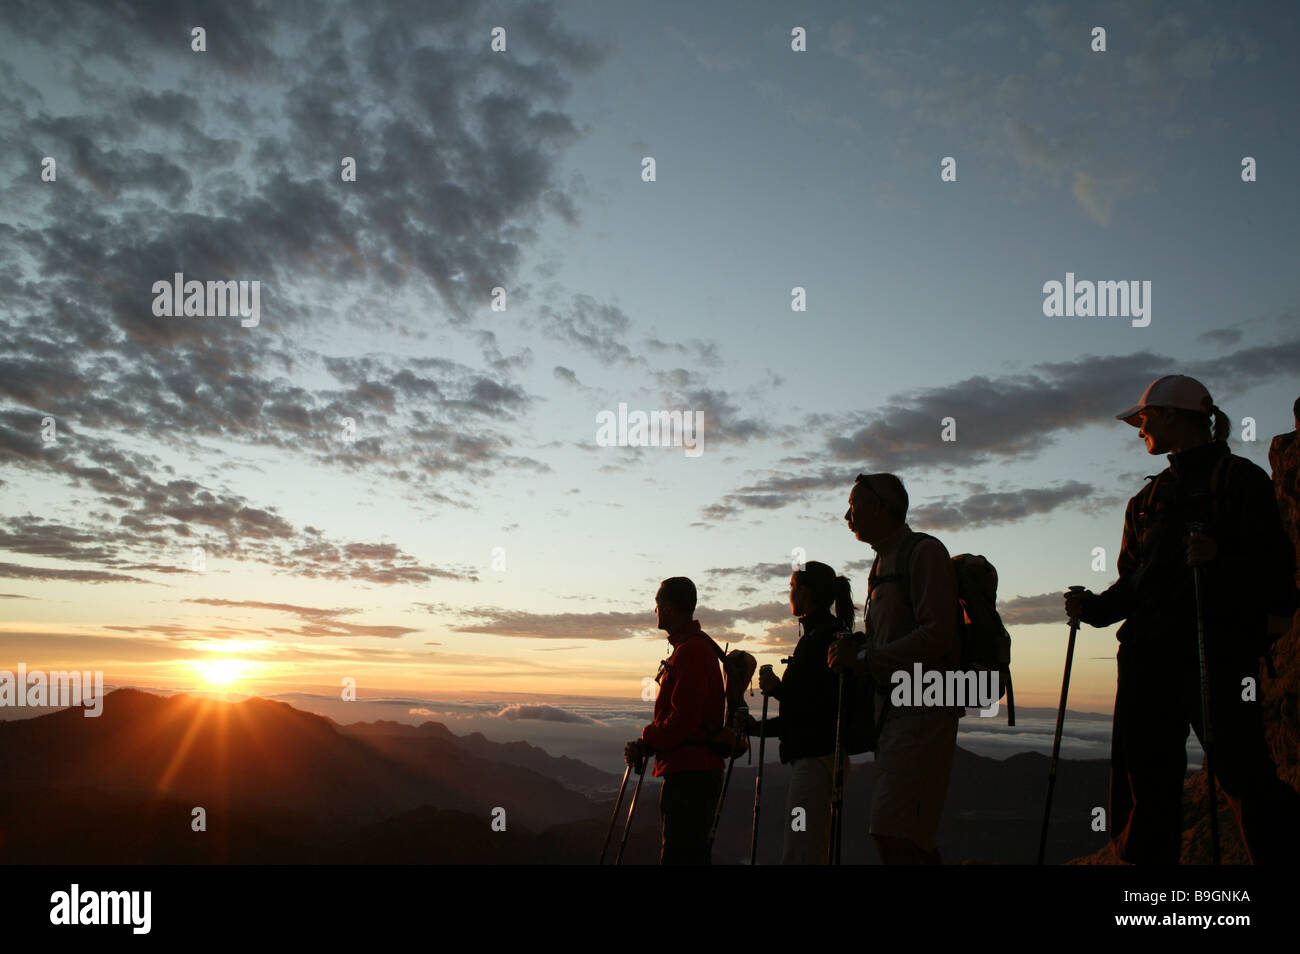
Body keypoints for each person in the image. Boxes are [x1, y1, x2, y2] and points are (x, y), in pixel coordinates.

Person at [1064, 374, 1300, 864]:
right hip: (1152, 659)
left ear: (1173, 415)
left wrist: (1221, 557)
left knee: (1242, 775)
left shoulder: (1238, 480)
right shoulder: (1146, 501)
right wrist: (1093, 609)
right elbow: (1133, 585)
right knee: (1148, 784)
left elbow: (1278, 569)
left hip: (1217, 652)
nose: (1138, 430)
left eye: (1144, 419)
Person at [828, 473, 962, 864]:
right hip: (892, 715)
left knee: (895, 834)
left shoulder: (923, 553)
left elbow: (938, 635)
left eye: (853, 505)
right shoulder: (882, 561)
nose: (846, 515)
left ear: (880, 506)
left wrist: (866, 660)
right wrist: (860, 648)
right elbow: (892, 638)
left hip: (923, 712)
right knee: (903, 835)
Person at [744, 561, 853, 863]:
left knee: (801, 849)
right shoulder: (825, 634)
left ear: (804, 592)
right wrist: (756, 728)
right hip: (822, 759)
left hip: (814, 764)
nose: (789, 594)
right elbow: (804, 712)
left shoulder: (820, 638)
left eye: (792, 587)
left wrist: (777, 689)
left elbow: (812, 705)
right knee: (807, 844)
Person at [625, 577, 726, 864]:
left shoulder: (691, 651)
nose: (654, 610)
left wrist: (646, 741)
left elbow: (684, 720)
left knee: (680, 857)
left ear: (668, 608)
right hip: (695, 771)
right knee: (691, 855)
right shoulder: (691, 648)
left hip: (690, 775)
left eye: (657, 604)